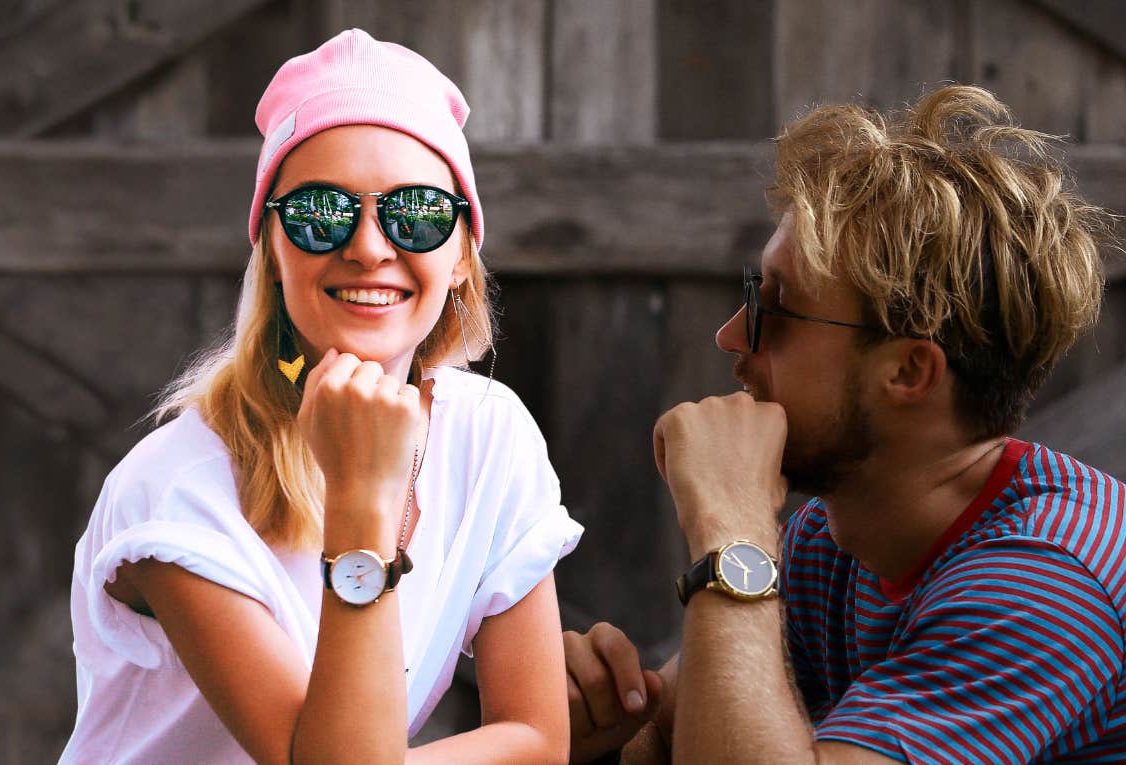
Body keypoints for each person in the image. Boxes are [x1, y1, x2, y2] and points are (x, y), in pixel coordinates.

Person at [58, 29, 581, 765]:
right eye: (322, 213)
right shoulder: (177, 493)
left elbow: (536, 739)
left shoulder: (489, 435)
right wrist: (363, 498)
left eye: (419, 213)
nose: (369, 246)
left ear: (462, 255)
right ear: (272, 248)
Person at [564, 84, 1125, 764]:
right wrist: (600, 735)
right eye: (752, 294)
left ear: (908, 372)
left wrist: (733, 528)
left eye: (779, 307)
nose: (731, 335)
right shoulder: (830, 545)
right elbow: (666, 746)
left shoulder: (1040, 588)